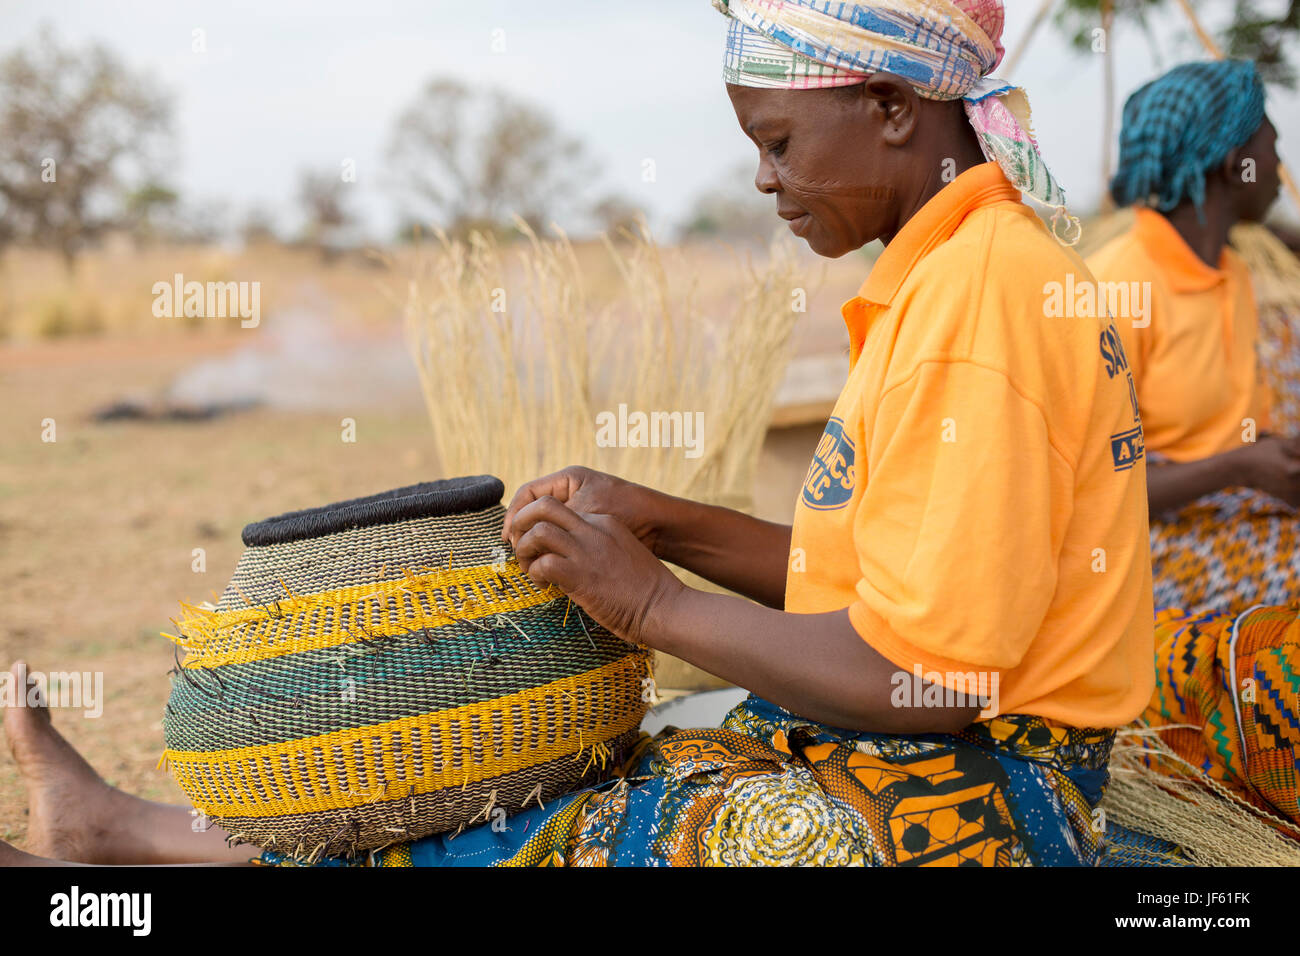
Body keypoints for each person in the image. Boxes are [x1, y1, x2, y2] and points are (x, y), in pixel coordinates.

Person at [1, 0, 1154, 867]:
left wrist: (650, 605)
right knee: (527, 770)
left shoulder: (976, 310)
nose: (762, 178)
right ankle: (128, 828)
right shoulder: (953, 279)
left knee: (576, 823)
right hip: (920, 754)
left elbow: (931, 677)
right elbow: (879, 588)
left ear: (895, 110)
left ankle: (134, 839)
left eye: (778, 142)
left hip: (983, 799)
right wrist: (668, 523)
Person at [1087, 60, 1296, 617]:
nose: (1280, 166)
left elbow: (1232, 432)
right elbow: (1092, 492)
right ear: (1235, 166)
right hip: (1152, 551)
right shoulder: (1117, 288)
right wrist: (1242, 467)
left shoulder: (1232, 273)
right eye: (1272, 146)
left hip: (1244, 515)